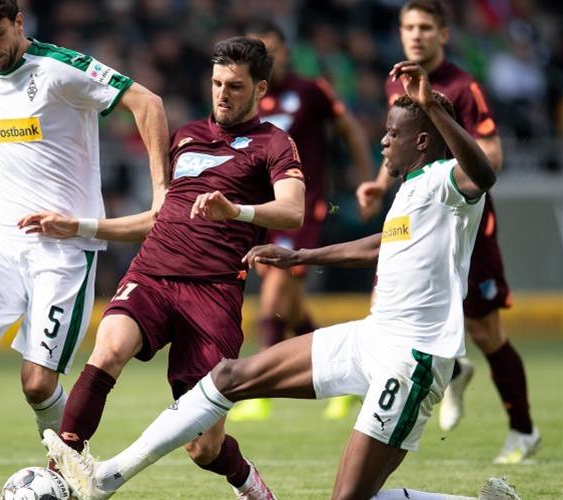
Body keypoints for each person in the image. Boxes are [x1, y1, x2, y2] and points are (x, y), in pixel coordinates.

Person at [41, 61, 522, 500]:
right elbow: (379, 246)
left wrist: (434, 107)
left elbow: (482, 173)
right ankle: (107, 478)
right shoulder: (413, 188)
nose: (382, 142)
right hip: (373, 334)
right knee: (228, 378)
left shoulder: (449, 183)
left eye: (392, 134)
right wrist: (300, 257)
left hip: (412, 356)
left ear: (422, 139)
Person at [22, 36, 305, 499]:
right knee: (109, 348)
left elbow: (292, 211)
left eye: (234, 86)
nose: (222, 94)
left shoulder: (274, 143)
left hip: (213, 294)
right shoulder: (187, 135)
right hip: (152, 274)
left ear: (260, 89)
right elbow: (158, 218)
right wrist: (77, 226)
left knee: (203, 447)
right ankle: (62, 470)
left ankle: (247, 481)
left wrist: (237, 211)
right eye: (216, 83)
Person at [0, 0, 169, 494]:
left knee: (37, 385)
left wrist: (162, 191)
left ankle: (67, 473)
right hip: (5, 235)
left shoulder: (62, 69)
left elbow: (149, 103)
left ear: (19, 22)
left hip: (66, 247)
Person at [356, 0, 540, 464]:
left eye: (425, 28)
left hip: (463, 225)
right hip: (416, 224)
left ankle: (523, 430)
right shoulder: (395, 79)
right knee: (388, 309)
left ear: (443, 34)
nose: (415, 36)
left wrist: (445, 176)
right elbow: (398, 140)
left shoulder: (462, 86)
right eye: (408, 27)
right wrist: (379, 185)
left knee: (486, 329)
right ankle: (431, 382)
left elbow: (491, 158)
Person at [227, 21, 374, 423]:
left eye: (269, 50)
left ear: (285, 52)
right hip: (262, 211)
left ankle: (259, 389)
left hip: (302, 211)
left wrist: (366, 180)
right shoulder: (242, 99)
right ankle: (354, 376)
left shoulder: (310, 91)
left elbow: (349, 130)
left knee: (273, 295)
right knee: (290, 310)